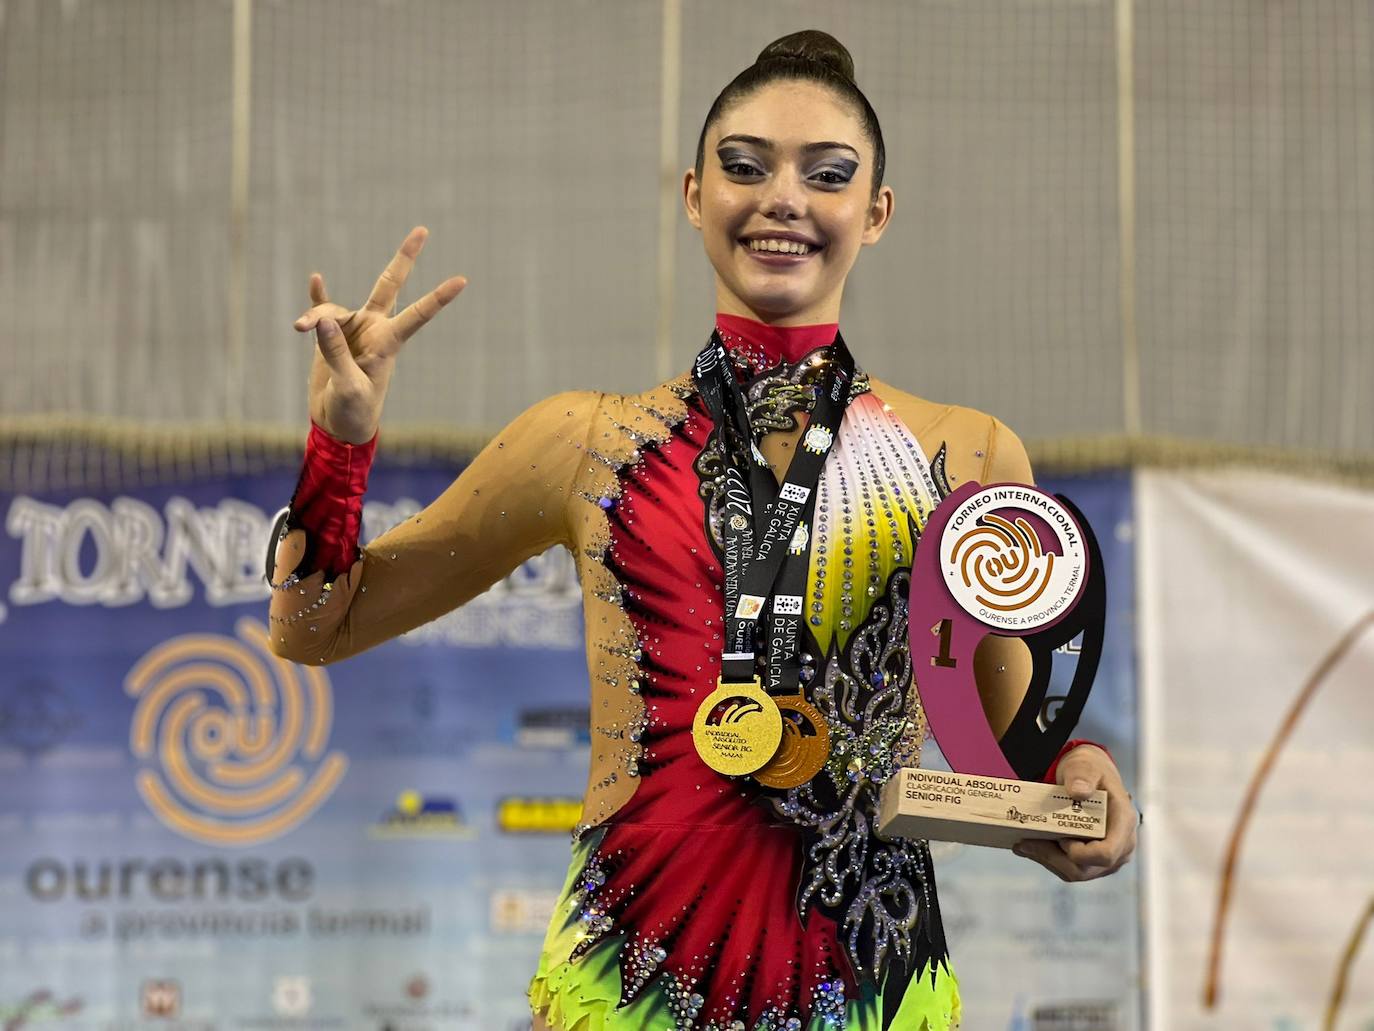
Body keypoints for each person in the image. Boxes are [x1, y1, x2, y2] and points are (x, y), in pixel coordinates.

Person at [268, 30, 1137, 1031]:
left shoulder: (968, 456)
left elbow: (1014, 753)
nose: (783, 197)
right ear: (693, 194)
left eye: (827, 174)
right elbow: (314, 625)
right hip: (622, 991)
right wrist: (340, 443)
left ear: (876, 212)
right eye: (745, 165)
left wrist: (1088, 784)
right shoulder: (584, 441)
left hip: (870, 995)